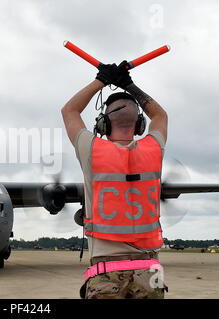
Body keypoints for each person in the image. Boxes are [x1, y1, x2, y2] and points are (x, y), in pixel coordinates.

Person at [61, 61, 168, 299]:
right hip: (149, 276)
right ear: (140, 125)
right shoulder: (154, 149)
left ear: (103, 123)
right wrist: (129, 85)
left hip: (106, 276)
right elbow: (160, 115)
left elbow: (69, 111)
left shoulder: (92, 150)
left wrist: (101, 80)